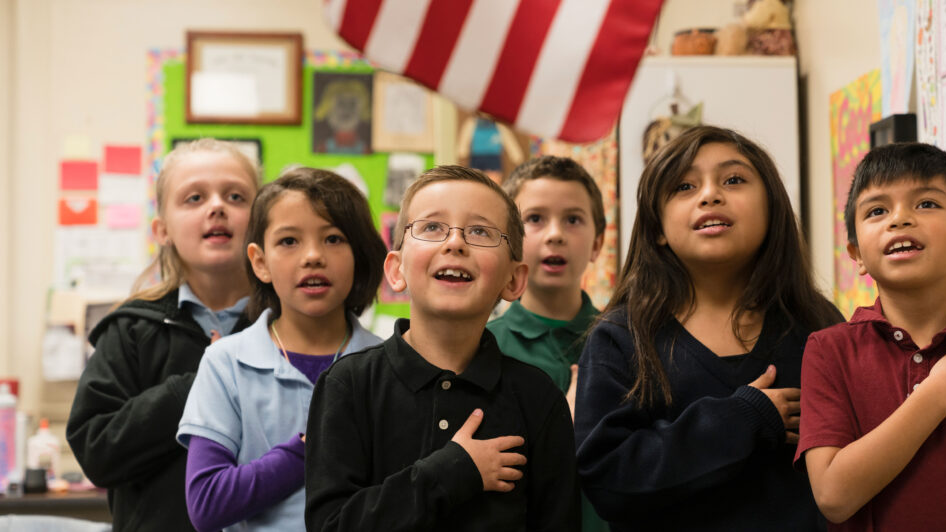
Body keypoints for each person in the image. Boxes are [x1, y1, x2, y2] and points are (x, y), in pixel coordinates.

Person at [574, 125, 842, 531]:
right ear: (658, 229)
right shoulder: (621, 337)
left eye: (734, 180)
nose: (710, 195)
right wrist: (741, 419)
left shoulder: (817, 325)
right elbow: (609, 481)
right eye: (684, 186)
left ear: (772, 210)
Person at [304, 165, 580, 531]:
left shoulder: (538, 398)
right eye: (432, 227)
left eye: (480, 231)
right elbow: (331, 525)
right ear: (396, 269)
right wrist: (452, 471)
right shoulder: (348, 385)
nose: (455, 243)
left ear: (514, 280)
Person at [797, 143, 946, 530]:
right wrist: (940, 392)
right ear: (857, 254)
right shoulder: (829, 350)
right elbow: (834, 497)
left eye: (926, 204)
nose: (899, 219)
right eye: (877, 211)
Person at [176, 167, 386, 531]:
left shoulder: (388, 364)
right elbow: (207, 503)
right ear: (260, 262)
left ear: (360, 255)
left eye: (334, 239)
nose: (313, 256)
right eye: (289, 241)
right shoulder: (226, 363)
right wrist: (308, 447)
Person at [66, 139, 260, 531]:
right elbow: (97, 452)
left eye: (236, 196)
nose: (217, 206)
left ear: (262, 220)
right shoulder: (131, 330)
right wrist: (202, 382)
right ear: (163, 230)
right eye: (194, 198)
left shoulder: (291, 327)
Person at [487, 156, 608, 532]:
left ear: (597, 243)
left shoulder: (627, 341)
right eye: (534, 219)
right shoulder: (484, 347)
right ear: (508, 240)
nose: (555, 234)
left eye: (573, 219)